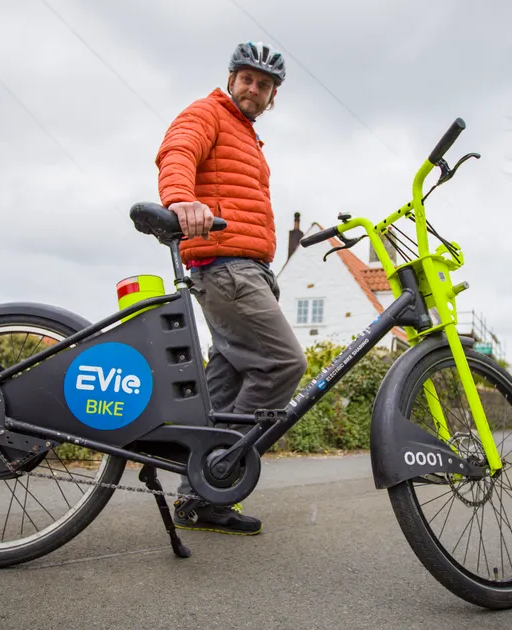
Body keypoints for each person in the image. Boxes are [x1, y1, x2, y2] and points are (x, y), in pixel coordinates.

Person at [154, 42, 308, 535]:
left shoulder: (249, 138)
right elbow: (176, 152)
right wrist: (181, 200)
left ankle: (200, 500)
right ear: (232, 79)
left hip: (245, 271)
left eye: (265, 86)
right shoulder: (208, 113)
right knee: (283, 363)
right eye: (248, 79)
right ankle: (220, 472)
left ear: (273, 97)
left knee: (225, 388)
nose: (254, 90)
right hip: (227, 267)